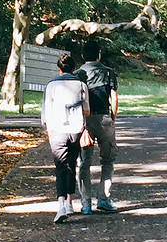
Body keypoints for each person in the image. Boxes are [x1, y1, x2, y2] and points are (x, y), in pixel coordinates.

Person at [41, 51, 91, 223]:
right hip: (76, 129)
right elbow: (87, 111)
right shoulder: (81, 85)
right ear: (74, 68)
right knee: (72, 163)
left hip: (58, 129)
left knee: (61, 167)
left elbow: (46, 111)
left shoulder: (51, 85)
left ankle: (61, 205)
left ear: (58, 68)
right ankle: (70, 201)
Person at [75, 39, 119, 213]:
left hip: (84, 121)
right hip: (104, 118)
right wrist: (113, 119)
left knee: (84, 162)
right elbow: (113, 98)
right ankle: (103, 198)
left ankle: (85, 203)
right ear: (99, 54)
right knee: (108, 160)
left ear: (82, 55)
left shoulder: (78, 74)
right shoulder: (109, 73)